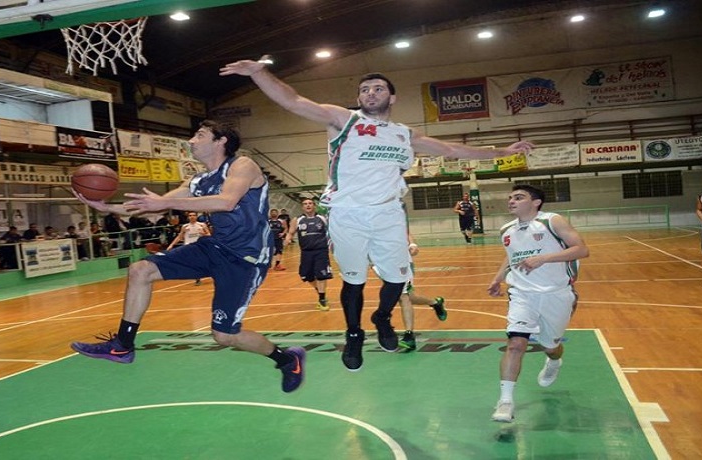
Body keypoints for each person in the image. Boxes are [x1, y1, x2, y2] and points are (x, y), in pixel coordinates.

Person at [220, 58, 534, 371]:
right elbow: (293, 101)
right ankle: (354, 333)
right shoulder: (344, 120)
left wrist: (502, 152)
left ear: (392, 97)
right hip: (348, 213)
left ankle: (382, 317)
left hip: (388, 213)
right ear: (359, 98)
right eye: (365, 89)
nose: (371, 93)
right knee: (353, 281)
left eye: (378, 88)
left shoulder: (404, 134)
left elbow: (452, 150)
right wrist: (259, 73)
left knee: (398, 279)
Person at [70, 120, 306, 393]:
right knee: (140, 270)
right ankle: (123, 345)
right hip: (213, 247)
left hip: (245, 259)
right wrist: (105, 206)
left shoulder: (243, 165)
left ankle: (288, 359)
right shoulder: (197, 180)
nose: (191, 141)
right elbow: (153, 210)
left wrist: (166, 203)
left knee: (224, 335)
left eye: (200, 135)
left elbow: (225, 201)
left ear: (221, 141)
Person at [486, 184, 589, 423]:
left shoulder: (552, 221)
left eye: (519, 197)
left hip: (557, 293)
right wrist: (498, 278)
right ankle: (505, 401)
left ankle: (554, 360)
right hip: (522, 293)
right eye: (510, 197)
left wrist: (544, 258)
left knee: (551, 345)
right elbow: (511, 256)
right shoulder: (506, 229)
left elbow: (582, 250)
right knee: (515, 343)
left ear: (536, 202)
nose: (511, 201)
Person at [395, 231, 447, 351]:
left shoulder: (390, 215)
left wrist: (413, 244)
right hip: (384, 263)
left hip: (402, 262)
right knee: (410, 297)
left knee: (403, 297)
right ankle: (435, 303)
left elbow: (404, 230)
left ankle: (409, 336)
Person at [284, 198, 332, 311]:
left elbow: (331, 231)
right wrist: (287, 239)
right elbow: (290, 233)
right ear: (302, 207)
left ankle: (322, 299)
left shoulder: (322, 218)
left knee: (321, 275)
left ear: (314, 206)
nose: (308, 205)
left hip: (321, 251)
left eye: (310, 203)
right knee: (306, 275)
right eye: (305, 204)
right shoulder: (298, 220)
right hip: (306, 252)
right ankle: (319, 290)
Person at [166, 211, 211, 285]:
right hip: (188, 246)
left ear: (196, 216)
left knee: (200, 262)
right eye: (190, 215)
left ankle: (200, 275)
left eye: (193, 215)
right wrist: (171, 245)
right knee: (192, 262)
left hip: (199, 246)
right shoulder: (185, 226)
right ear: (188, 217)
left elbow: (209, 234)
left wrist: (203, 234)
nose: (192, 217)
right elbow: (179, 237)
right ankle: (197, 277)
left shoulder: (202, 225)